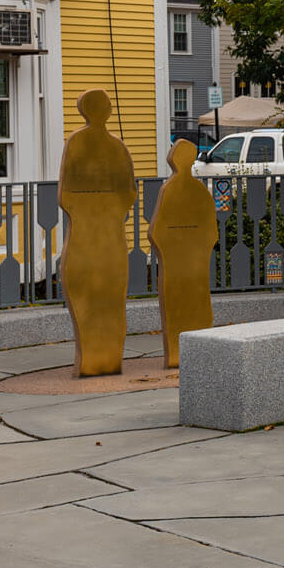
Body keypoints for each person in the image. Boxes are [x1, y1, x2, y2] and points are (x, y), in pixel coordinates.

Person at [58, 89, 134, 376]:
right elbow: (129, 194)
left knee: (93, 296)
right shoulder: (117, 147)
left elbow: (66, 195)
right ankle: (103, 357)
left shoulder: (78, 143)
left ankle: (97, 359)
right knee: (111, 298)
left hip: (86, 236)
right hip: (109, 235)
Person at [149, 139, 218, 367]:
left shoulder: (169, 189)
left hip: (175, 266)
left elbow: (156, 231)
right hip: (196, 265)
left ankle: (178, 354)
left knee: (176, 307)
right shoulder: (200, 191)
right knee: (199, 303)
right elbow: (212, 231)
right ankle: (200, 352)